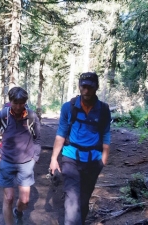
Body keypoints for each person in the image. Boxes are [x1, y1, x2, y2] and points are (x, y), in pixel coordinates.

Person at [49, 72, 111, 225]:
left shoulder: (103, 109)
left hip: (93, 161)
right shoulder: (68, 107)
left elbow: (106, 133)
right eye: (84, 86)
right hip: (71, 158)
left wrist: (104, 157)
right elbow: (61, 134)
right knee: (72, 201)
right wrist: (53, 159)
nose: (87, 90)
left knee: (83, 201)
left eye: (90, 87)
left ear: (96, 87)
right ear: (79, 87)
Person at [0, 87, 41, 225]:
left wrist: (34, 159)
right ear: (10, 101)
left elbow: (37, 139)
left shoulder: (31, 117)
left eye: (22, 103)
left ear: (25, 102)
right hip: (6, 161)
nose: (18, 106)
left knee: (25, 200)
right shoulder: (2, 116)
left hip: (26, 163)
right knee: (9, 198)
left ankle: (18, 212)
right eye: (15, 103)